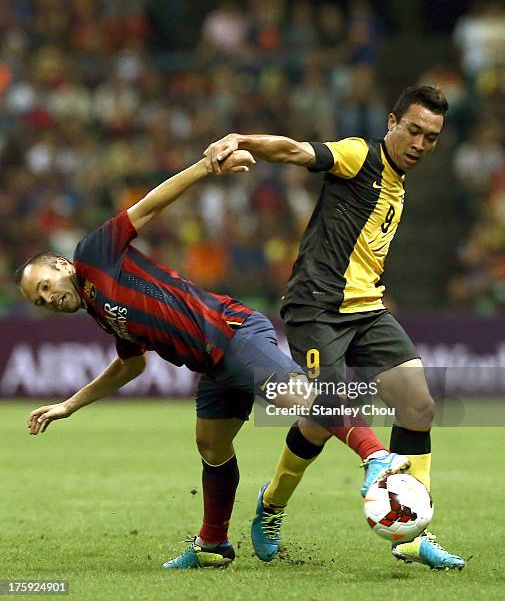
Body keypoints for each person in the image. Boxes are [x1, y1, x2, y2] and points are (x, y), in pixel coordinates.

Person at [17, 149, 400, 570]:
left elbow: (151, 206)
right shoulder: (100, 310)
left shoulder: (93, 254)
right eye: (41, 300)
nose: (49, 299)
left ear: (60, 264)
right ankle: (214, 545)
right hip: (212, 362)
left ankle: (376, 457)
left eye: (47, 285)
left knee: (299, 397)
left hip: (231, 332)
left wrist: (204, 167)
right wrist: (70, 405)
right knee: (212, 446)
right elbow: (131, 365)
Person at [205, 86, 465, 570]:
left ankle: (410, 534)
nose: (420, 144)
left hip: (367, 310)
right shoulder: (359, 155)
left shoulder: (399, 184)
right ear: (391, 121)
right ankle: (273, 505)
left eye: (431, 138)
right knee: (330, 408)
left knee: (419, 405)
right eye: (413, 130)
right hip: (316, 308)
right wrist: (240, 138)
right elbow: (296, 150)